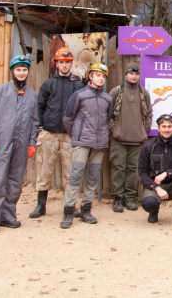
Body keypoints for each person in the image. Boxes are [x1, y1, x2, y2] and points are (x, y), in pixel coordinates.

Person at [0, 55, 39, 233]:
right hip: (1, 142)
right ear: (12, 71)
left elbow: (35, 120)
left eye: (24, 70)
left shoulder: (31, 94)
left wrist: (31, 142)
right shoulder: (0, 91)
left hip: (21, 144)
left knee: (15, 181)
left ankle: (7, 215)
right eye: (18, 69)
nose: (21, 73)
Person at [30, 47, 84, 219]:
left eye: (67, 62)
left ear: (71, 64)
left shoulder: (77, 85)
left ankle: (70, 206)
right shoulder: (48, 84)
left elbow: (82, 109)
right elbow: (39, 107)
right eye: (61, 62)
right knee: (44, 169)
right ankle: (41, 206)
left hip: (69, 135)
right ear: (56, 63)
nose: (64, 65)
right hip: (49, 132)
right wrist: (40, 128)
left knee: (70, 171)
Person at [61, 63, 113, 229]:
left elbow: (108, 119)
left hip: (99, 144)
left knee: (92, 177)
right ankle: (68, 210)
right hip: (82, 142)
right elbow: (68, 118)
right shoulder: (80, 95)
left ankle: (86, 209)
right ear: (90, 76)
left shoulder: (107, 98)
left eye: (103, 76)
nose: (100, 78)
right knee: (76, 175)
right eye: (97, 75)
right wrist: (76, 135)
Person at [108, 62, 153, 213]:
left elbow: (149, 114)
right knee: (118, 168)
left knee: (133, 170)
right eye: (131, 74)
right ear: (126, 75)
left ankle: (129, 197)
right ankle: (117, 198)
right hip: (118, 138)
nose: (134, 76)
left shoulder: (143, 93)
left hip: (137, 139)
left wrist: (145, 130)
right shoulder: (117, 91)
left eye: (136, 74)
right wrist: (113, 130)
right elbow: (107, 113)